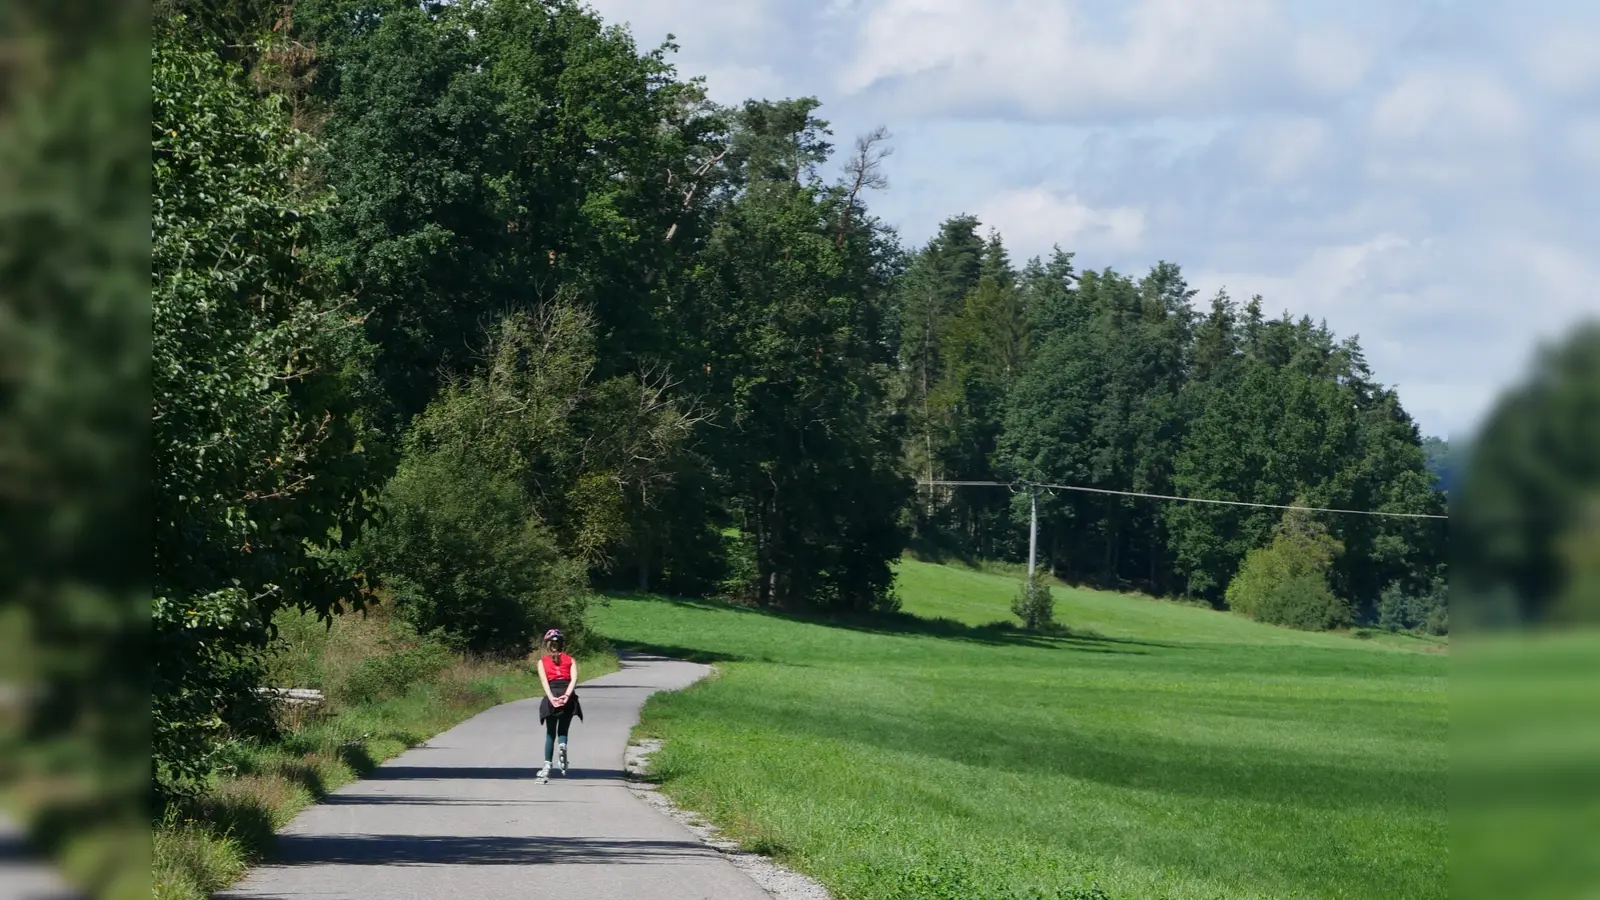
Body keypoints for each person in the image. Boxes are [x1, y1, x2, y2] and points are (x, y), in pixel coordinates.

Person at [535, 628, 582, 782]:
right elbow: (574, 680)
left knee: (550, 733)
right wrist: (566, 696)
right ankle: (563, 746)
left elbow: (544, 682)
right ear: (562, 645)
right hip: (567, 697)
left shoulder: (542, 662)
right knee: (563, 731)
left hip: (552, 695)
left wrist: (552, 699)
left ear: (548, 645)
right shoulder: (571, 660)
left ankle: (547, 765)